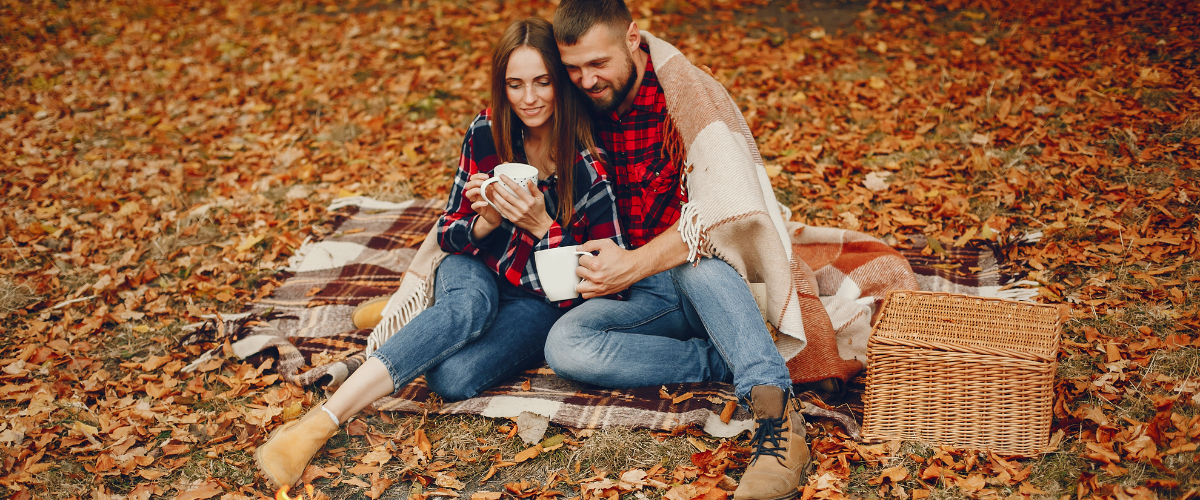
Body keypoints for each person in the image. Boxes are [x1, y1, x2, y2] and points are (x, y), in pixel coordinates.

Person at [254, 17, 624, 490]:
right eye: (515, 84)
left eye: (541, 82)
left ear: (561, 83)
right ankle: (320, 423)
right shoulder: (488, 131)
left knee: (452, 378)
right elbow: (449, 234)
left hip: (536, 302)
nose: (528, 98)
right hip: (475, 269)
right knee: (468, 306)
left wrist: (542, 227)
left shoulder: (587, 162)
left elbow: (597, 282)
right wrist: (486, 221)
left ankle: (417, 317)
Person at [543, 1, 811, 498]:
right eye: (573, 68)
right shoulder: (579, 103)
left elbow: (723, 211)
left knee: (697, 267)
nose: (585, 80)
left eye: (597, 64)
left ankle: (779, 419)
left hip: (713, 280)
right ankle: (725, 357)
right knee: (564, 345)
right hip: (643, 293)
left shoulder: (687, 95)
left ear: (632, 37)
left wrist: (633, 264)